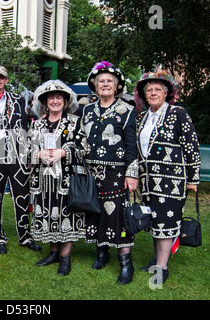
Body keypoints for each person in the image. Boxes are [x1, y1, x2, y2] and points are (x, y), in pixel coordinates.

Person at [134, 70, 200, 284]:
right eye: (149, 90)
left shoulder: (178, 113)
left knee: (165, 221)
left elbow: (191, 146)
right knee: (153, 221)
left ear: (166, 93)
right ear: (145, 95)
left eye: (157, 90)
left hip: (171, 181)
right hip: (148, 180)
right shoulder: (142, 116)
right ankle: (156, 260)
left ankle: (161, 268)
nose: (153, 93)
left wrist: (193, 178)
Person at [80, 61, 138, 285]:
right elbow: (81, 138)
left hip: (116, 171)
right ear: (95, 86)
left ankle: (126, 262)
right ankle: (101, 253)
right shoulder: (86, 109)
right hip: (90, 171)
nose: (105, 85)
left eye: (109, 82)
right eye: (101, 81)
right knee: (95, 212)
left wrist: (131, 173)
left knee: (118, 215)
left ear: (116, 86)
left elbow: (132, 145)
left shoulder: (127, 110)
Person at [0, 65, 41, 254]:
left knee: (22, 196)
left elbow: (26, 128)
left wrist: (30, 155)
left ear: (6, 80)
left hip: (18, 155)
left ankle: (25, 235)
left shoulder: (18, 99)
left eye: (2, 77)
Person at [29, 79, 84, 276]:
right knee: (48, 214)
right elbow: (26, 150)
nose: (54, 100)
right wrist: (37, 154)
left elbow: (84, 149)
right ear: (45, 101)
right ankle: (53, 252)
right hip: (43, 180)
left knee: (65, 216)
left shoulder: (75, 122)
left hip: (66, 180)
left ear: (65, 101)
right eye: (51, 97)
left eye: (58, 97)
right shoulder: (37, 125)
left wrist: (64, 152)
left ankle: (65, 257)